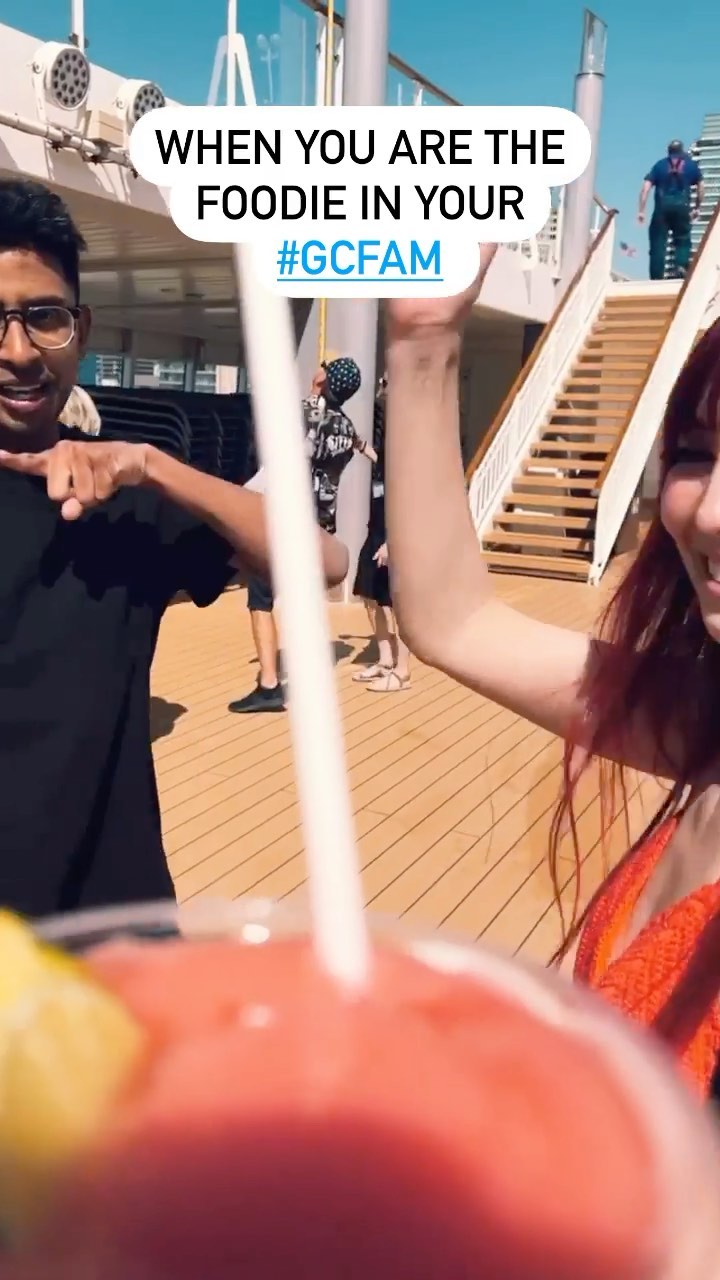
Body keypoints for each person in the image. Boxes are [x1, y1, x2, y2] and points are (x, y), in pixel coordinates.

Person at [384, 242, 720, 1099]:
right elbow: (456, 623)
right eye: (697, 452)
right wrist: (424, 347)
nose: (710, 514)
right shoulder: (704, 718)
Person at [0, 177, 348, 918]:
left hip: (112, 932)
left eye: (45, 317)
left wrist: (155, 466)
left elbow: (323, 561)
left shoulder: (123, 502)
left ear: (81, 329)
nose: (19, 351)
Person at [229, 356, 374, 714]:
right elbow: (358, 446)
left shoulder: (301, 413)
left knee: (261, 601)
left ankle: (269, 684)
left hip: (282, 522)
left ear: (325, 380)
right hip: (318, 528)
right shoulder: (346, 428)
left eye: (324, 367)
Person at [352, 372, 411, 693]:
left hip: (392, 533)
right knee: (369, 595)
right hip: (375, 528)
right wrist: (364, 448)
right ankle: (385, 660)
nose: (381, 387)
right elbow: (384, 471)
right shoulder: (390, 431)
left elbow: (405, 492)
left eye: (386, 382)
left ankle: (403, 672)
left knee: (393, 603)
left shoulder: (405, 434)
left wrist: (392, 541)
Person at [638, 139, 704, 281]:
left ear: (668, 151)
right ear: (682, 150)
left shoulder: (659, 165)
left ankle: (656, 277)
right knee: (683, 239)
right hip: (682, 206)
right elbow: (701, 188)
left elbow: (645, 188)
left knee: (657, 243)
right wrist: (697, 207)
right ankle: (680, 267)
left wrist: (641, 211)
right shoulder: (691, 166)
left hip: (661, 208)